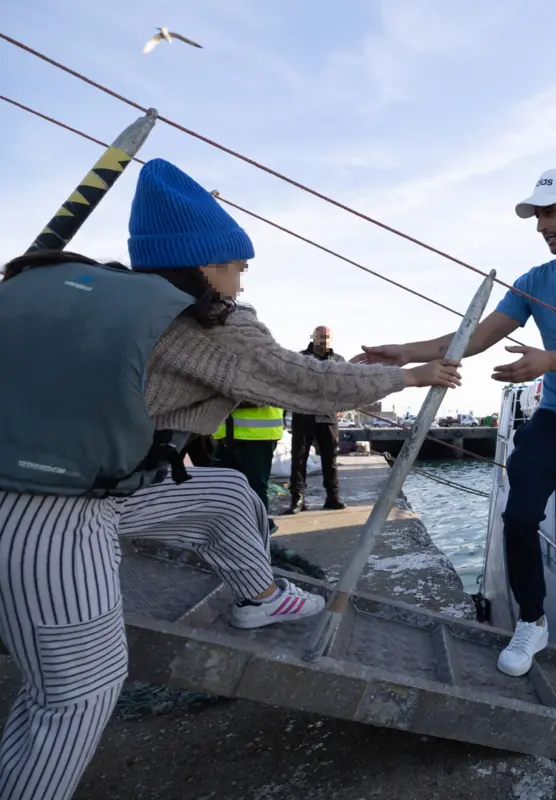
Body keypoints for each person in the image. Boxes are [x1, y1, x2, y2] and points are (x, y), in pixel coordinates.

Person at [0, 157, 461, 800]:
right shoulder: (211, 325)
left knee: (225, 494)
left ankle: (259, 596)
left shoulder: (119, 305)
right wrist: (412, 376)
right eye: (238, 265)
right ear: (205, 262)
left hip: (88, 495)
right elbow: (309, 380)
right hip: (46, 515)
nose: (241, 280)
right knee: (76, 692)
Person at [354, 168, 556, 704]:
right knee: (518, 516)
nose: (541, 226)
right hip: (555, 421)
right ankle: (532, 621)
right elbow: (472, 339)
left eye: (549, 213)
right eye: (536, 216)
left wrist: (548, 360)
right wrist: (401, 352)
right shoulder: (535, 280)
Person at [287, 325, 345, 513]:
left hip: (328, 416)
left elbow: (347, 385)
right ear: (313, 337)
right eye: (321, 336)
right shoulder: (299, 359)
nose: (324, 340)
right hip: (303, 415)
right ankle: (298, 500)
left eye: (327, 337)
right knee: (299, 459)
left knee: (330, 459)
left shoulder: (339, 361)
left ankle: (333, 497)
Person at [212, 401, 285, 533]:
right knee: (223, 486)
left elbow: (260, 395)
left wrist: (225, 399)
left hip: (257, 435)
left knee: (255, 486)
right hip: (229, 434)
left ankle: (261, 532)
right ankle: (244, 531)